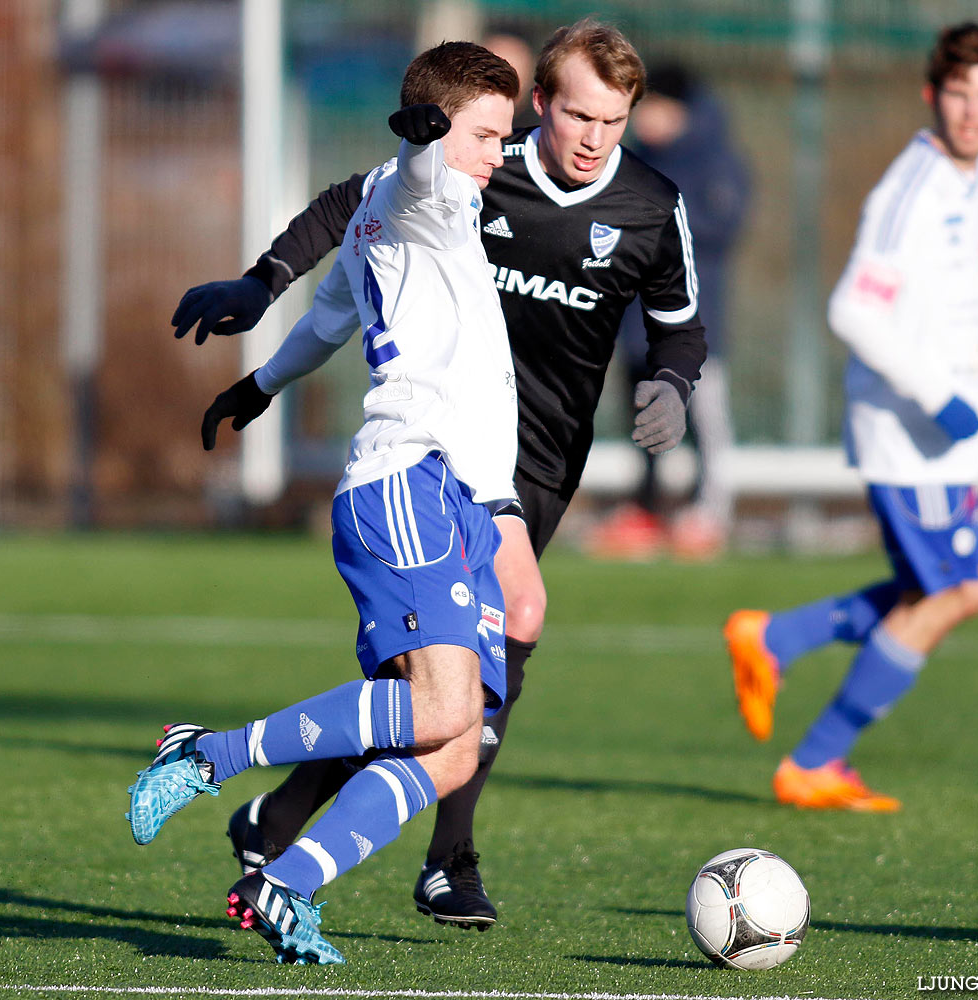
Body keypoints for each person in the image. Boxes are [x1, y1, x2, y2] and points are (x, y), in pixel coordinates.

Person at [170, 19, 706, 930]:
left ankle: (279, 823)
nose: (591, 137)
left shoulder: (647, 205)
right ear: (541, 105)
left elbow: (680, 326)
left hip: (528, 461)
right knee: (466, 670)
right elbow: (371, 195)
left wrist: (672, 383)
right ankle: (434, 857)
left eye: (614, 121)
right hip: (437, 461)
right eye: (575, 114)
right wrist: (264, 282)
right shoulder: (456, 180)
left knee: (432, 693)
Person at [128, 41, 521, 965]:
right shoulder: (424, 192)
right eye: (489, 135)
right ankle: (207, 753)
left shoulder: (386, 217)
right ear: (437, 126)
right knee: (437, 710)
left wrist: (260, 385)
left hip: (459, 499)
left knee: (457, 746)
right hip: (408, 482)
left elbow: (325, 319)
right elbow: (422, 173)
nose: (500, 152)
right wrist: (430, 143)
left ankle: (283, 885)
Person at [725, 22, 978, 812]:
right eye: (956, 94)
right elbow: (855, 309)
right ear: (932, 95)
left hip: (941, 436)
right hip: (910, 437)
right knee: (955, 592)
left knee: (944, 586)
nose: (970, 112)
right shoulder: (911, 190)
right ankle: (816, 758)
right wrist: (942, 394)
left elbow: (954, 290)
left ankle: (775, 639)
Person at [588, 62, 749, 561]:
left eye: (655, 107)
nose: (646, 119)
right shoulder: (633, 160)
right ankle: (648, 509)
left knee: (703, 418)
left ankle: (711, 511)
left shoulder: (717, 163)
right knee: (644, 419)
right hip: (637, 323)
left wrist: (657, 221)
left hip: (696, 324)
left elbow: (723, 227)